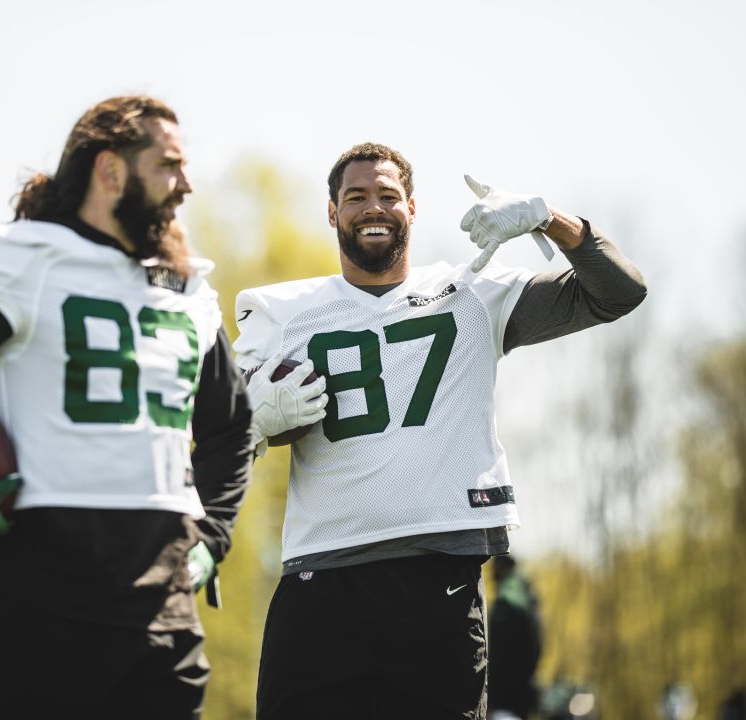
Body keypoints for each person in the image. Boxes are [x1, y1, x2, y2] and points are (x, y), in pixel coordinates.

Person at [0, 95, 303, 719]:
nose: (186, 183)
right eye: (168, 164)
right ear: (110, 170)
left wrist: (213, 535)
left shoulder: (186, 290)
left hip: (161, 598)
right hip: (35, 594)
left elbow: (230, 425)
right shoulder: (24, 260)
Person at [233, 142, 647, 718]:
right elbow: (224, 426)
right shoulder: (281, 312)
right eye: (356, 197)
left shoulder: (472, 291)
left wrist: (551, 219)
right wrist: (251, 415)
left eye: (387, 196)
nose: (372, 208)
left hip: (439, 585)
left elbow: (619, 292)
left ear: (412, 208)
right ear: (332, 212)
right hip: (321, 581)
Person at [488, 555, 543, 720]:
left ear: (499, 567)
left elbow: (497, 655)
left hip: (506, 701)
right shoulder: (526, 593)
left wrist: (489, 698)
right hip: (524, 694)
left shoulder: (507, 600)